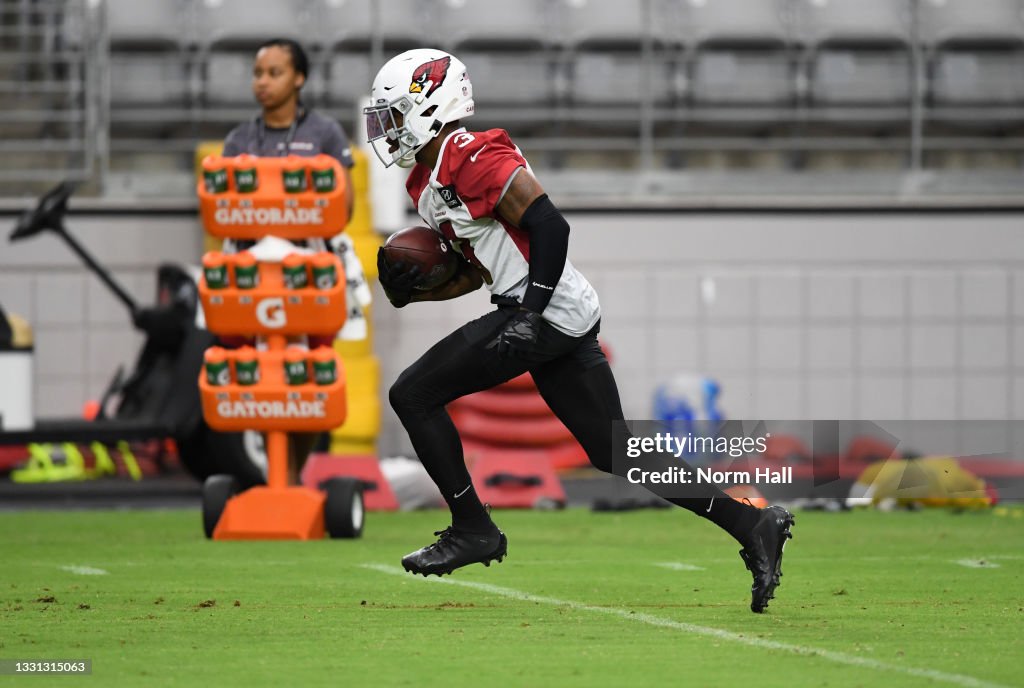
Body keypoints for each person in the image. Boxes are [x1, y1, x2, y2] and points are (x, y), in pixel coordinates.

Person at [365, 49, 795, 613]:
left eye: (396, 114)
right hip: (551, 310)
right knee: (614, 449)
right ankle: (752, 522)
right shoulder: (426, 178)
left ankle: (473, 527)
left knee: (412, 394)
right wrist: (418, 289)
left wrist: (528, 313)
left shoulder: (469, 154)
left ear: (431, 105)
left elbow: (549, 224)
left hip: (542, 310)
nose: (389, 129)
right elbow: (477, 268)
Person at [220, 38, 357, 483]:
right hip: (251, 279)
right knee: (256, 376)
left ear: (299, 78)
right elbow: (225, 210)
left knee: (309, 374)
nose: (262, 82)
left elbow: (344, 210)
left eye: (273, 73)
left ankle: (293, 475)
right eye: (258, 73)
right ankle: (272, 473)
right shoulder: (238, 140)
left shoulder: (325, 134)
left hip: (308, 276)